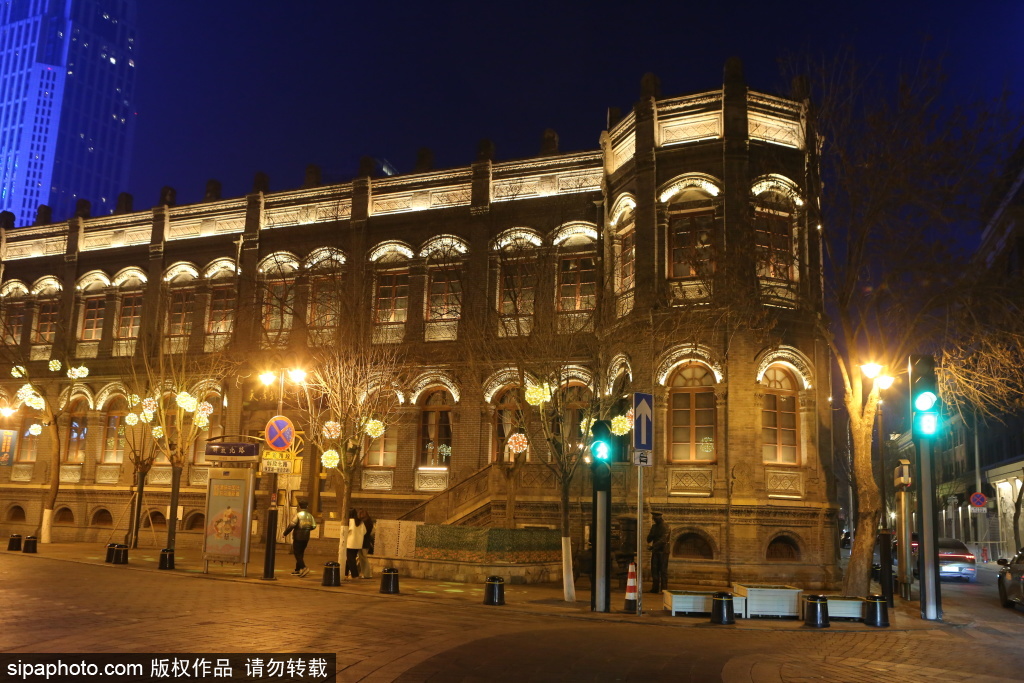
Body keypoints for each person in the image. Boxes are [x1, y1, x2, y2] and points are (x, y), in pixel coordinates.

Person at [282, 501, 316, 577]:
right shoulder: (310, 516)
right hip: (306, 537)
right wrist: (306, 529)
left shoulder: (298, 515)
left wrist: (285, 533)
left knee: (297, 553)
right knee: (301, 553)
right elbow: (314, 526)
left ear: (299, 507)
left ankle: (304, 567)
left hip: (298, 537)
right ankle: (297, 570)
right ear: (307, 507)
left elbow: (291, 525)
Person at [647, 511, 670, 593]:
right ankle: (655, 588)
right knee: (654, 570)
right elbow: (649, 539)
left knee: (663, 570)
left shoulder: (666, 526)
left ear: (660, 518)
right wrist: (651, 534)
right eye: (653, 519)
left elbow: (663, 540)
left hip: (663, 551)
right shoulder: (654, 527)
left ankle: (664, 589)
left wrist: (653, 546)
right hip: (656, 551)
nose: (654, 520)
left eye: (655, 519)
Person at [345, 508, 366, 579]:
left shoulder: (350, 521)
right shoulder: (361, 522)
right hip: (358, 544)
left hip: (350, 543)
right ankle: (345, 573)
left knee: (351, 560)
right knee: (350, 559)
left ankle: (355, 574)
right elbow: (364, 531)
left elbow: (345, 531)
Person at [357, 509, 375, 579]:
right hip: (365, 542)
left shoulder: (365, 522)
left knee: (363, 558)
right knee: (361, 558)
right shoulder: (369, 521)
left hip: (363, 542)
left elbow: (363, 532)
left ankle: (367, 574)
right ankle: (358, 572)